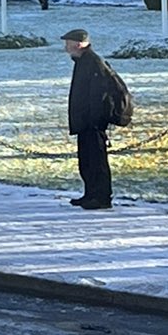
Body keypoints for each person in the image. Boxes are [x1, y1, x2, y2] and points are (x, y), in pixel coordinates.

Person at [62, 27, 127, 210]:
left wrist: (94, 119)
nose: (66, 48)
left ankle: (101, 197)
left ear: (80, 44)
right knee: (87, 161)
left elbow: (99, 95)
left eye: (69, 44)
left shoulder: (93, 62)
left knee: (97, 161)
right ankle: (90, 193)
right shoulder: (83, 61)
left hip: (93, 122)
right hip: (85, 122)